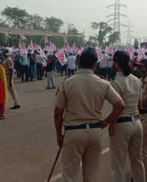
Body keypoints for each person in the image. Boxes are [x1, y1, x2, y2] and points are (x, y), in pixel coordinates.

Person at [54, 47, 125, 182]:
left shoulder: (67, 82)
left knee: (69, 175)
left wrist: (58, 134)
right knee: (91, 175)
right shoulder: (103, 83)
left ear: (79, 62)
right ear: (95, 64)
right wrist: (106, 122)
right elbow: (120, 105)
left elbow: (58, 112)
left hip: (73, 132)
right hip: (94, 132)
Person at [109, 50, 145, 182]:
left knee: (119, 164)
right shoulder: (137, 80)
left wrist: (111, 124)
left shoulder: (116, 82)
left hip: (122, 123)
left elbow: (118, 107)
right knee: (137, 161)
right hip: (136, 121)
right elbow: (140, 104)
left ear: (116, 63)